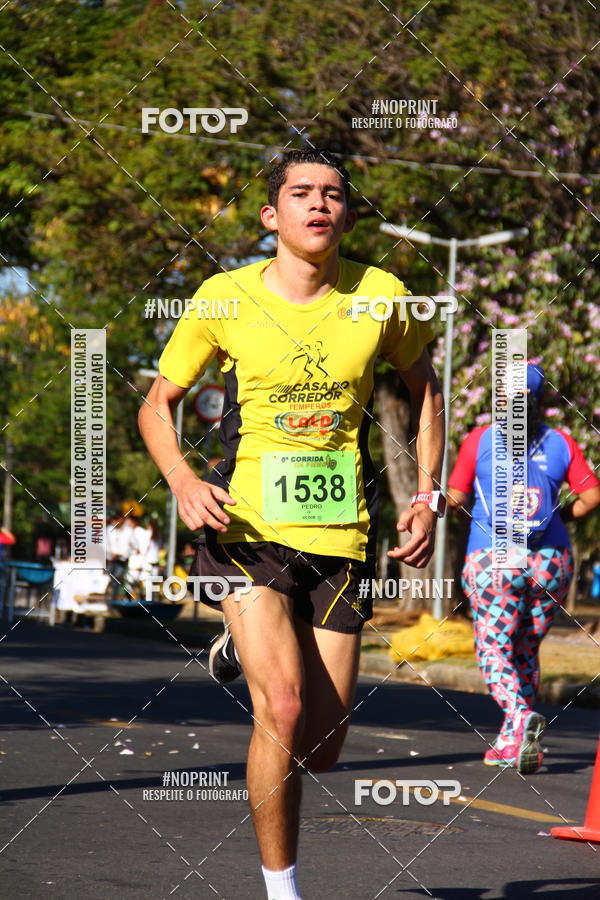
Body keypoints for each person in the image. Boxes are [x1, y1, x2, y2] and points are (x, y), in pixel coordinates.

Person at [139, 148, 445, 900]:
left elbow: (425, 389)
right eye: (302, 192)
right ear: (271, 215)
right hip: (246, 529)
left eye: (334, 194)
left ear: (348, 216)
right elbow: (157, 402)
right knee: (281, 705)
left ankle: (238, 645)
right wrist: (182, 479)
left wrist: (427, 495)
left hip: (339, 536)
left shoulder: (380, 295)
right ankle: (283, 891)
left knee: (324, 748)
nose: (319, 204)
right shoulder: (224, 297)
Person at [447, 363, 600, 774]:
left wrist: (458, 514)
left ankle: (519, 715)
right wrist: (559, 518)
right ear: (541, 401)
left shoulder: (480, 440)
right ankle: (512, 742)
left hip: (495, 559)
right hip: (551, 561)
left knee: (494, 645)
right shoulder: (561, 443)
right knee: (526, 648)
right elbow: (591, 497)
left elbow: (457, 498)